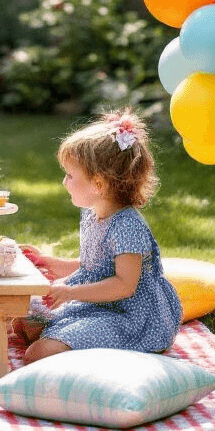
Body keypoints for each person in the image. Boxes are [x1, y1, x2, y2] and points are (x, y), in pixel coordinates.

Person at [15, 109, 182, 364]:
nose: (64, 182)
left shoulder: (127, 227)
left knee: (38, 354)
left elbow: (124, 285)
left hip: (129, 317)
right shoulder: (92, 214)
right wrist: (48, 262)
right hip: (98, 304)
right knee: (22, 320)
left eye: (70, 175)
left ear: (99, 184)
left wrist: (70, 294)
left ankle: (83, 351)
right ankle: (67, 340)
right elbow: (92, 266)